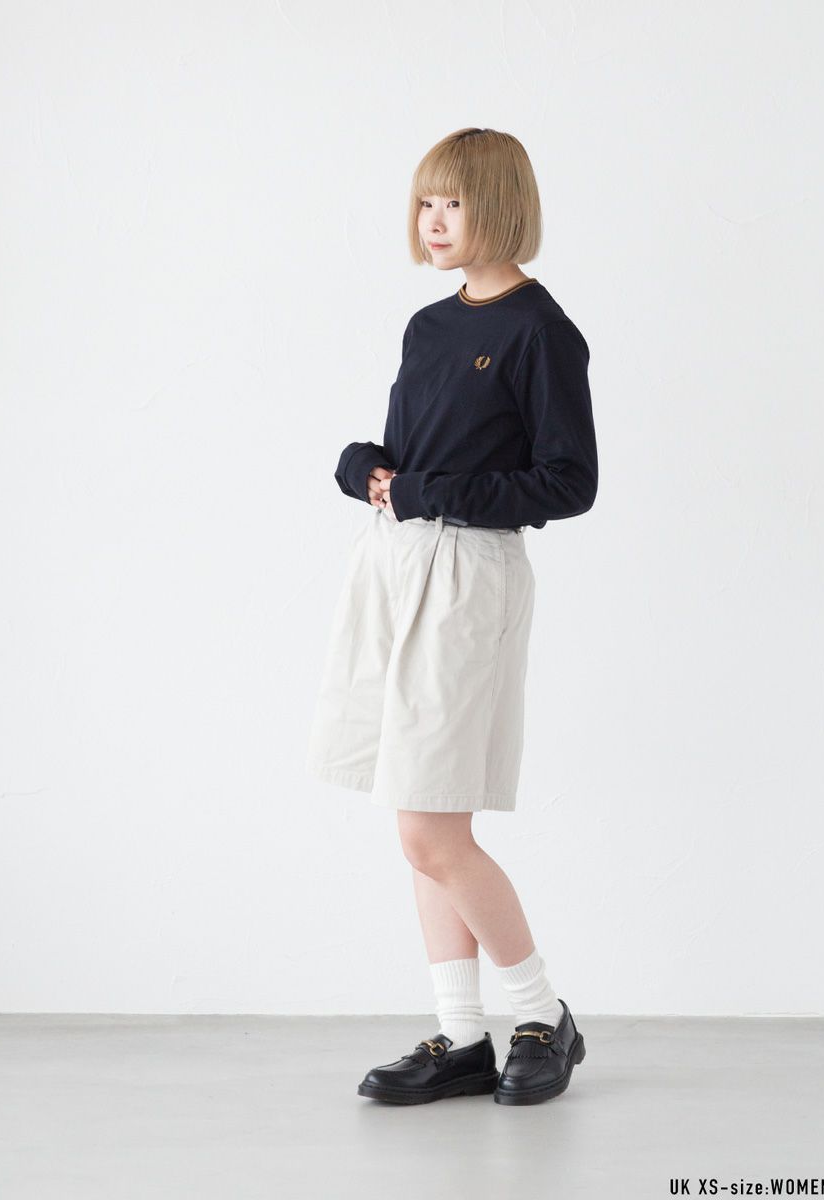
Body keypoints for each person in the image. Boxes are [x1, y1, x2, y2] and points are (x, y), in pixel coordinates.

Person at [305, 127, 598, 1105]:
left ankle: (543, 1015)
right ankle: (462, 1036)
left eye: (455, 203)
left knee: (434, 830)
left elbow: (568, 481)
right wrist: (368, 468)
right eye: (426, 202)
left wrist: (436, 493)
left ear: (500, 206)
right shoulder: (429, 326)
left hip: (470, 574)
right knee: (416, 819)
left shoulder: (541, 331)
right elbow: (409, 455)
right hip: (397, 565)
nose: (434, 221)